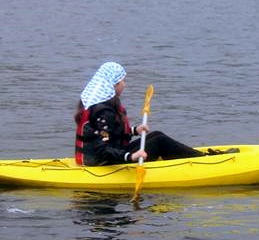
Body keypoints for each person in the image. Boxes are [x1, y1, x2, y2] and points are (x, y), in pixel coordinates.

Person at [74, 62, 215, 166]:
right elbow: (102, 149)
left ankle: (200, 157)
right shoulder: (104, 112)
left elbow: (110, 135)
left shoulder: (99, 106)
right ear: (114, 85)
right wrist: (132, 156)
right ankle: (203, 161)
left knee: (157, 135)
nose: (125, 84)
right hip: (102, 162)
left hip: (111, 155)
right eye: (122, 81)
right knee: (159, 141)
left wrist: (135, 130)